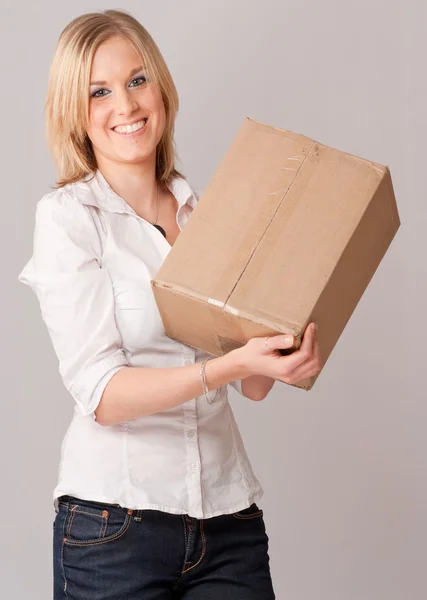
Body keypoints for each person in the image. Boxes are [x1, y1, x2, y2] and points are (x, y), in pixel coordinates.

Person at [18, 9, 322, 600]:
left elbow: (252, 384)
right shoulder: (67, 219)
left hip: (228, 522)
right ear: (74, 113)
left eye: (137, 80)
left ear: (161, 87)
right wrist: (232, 366)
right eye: (98, 92)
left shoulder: (205, 215)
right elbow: (102, 395)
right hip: (114, 529)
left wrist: (284, 350)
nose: (126, 106)